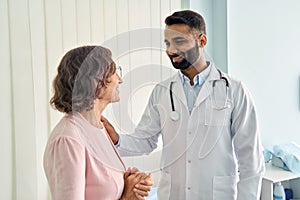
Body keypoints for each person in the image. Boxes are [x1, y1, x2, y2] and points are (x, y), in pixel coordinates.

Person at [102, 10, 265, 199]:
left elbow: (250, 159)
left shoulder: (234, 90)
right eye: (167, 43)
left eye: (179, 42)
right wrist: (117, 139)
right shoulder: (163, 92)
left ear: (202, 41)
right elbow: (145, 140)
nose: (171, 50)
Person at [43, 45, 153, 200]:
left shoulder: (98, 129)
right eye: (115, 72)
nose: (119, 80)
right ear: (96, 79)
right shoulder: (68, 140)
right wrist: (126, 198)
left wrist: (130, 183)